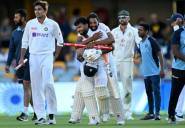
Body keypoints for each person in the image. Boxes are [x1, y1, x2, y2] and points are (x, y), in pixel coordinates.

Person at [19, 0, 64, 125]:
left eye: (40, 9)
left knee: (48, 84)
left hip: (47, 56)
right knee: (36, 87)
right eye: (35, 9)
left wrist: (55, 56)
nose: (37, 11)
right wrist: (22, 58)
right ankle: (40, 116)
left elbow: (60, 41)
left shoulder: (53, 24)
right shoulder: (30, 24)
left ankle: (51, 115)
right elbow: (24, 42)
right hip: (33, 57)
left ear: (45, 10)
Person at [87, 12, 125, 125]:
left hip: (108, 61)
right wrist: (94, 44)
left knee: (114, 89)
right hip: (96, 62)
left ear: (98, 21)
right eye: (91, 23)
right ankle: (104, 113)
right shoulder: (87, 31)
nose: (93, 24)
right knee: (100, 89)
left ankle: (120, 117)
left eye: (95, 22)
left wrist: (94, 43)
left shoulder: (103, 27)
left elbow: (111, 40)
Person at [5, 9, 36, 121]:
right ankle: (38, 113)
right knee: (27, 88)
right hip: (20, 64)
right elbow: (11, 50)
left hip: (32, 62)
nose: (14, 19)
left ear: (23, 18)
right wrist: (8, 64)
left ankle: (26, 114)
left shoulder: (33, 30)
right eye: (14, 17)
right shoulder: (14, 33)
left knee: (27, 86)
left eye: (16, 17)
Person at [68, 17, 100, 125]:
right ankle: (75, 117)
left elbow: (108, 45)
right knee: (79, 91)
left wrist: (90, 47)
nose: (78, 29)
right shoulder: (79, 37)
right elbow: (78, 54)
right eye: (77, 27)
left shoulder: (96, 32)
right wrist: (86, 46)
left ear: (87, 25)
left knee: (87, 92)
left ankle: (94, 118)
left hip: (97, 66)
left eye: (80, 26)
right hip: (84, 66)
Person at [111, 10, 141, 120]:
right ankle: (111, 110)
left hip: (128, 61)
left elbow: (139, 43)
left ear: (129, 18)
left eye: (124, 17)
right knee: (111, 85)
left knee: (127, 87)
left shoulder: (134, 31)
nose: (122, 19)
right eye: (120, 17)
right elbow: (109, 45)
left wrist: (139, 54)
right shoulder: (114, 31)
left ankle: (127, 112)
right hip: (114, 60)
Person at [135, 23, 164, 120]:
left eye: (141, 30)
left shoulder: (152, 41)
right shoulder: (140, 43)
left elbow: (160, 54)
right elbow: (140, 57)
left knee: (156, 92)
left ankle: (158, 113)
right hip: (146, 72)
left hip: (155, 72)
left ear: (146, 31)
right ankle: (151, 113)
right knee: (148, 92)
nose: (139, 31)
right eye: (138, 30)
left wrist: (162, 69)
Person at [168, 13, 185, 124]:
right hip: (179, 68)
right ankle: (171, 115)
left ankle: (179, 113)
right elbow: (175, 51)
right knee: (175, 93)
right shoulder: (178, 33)